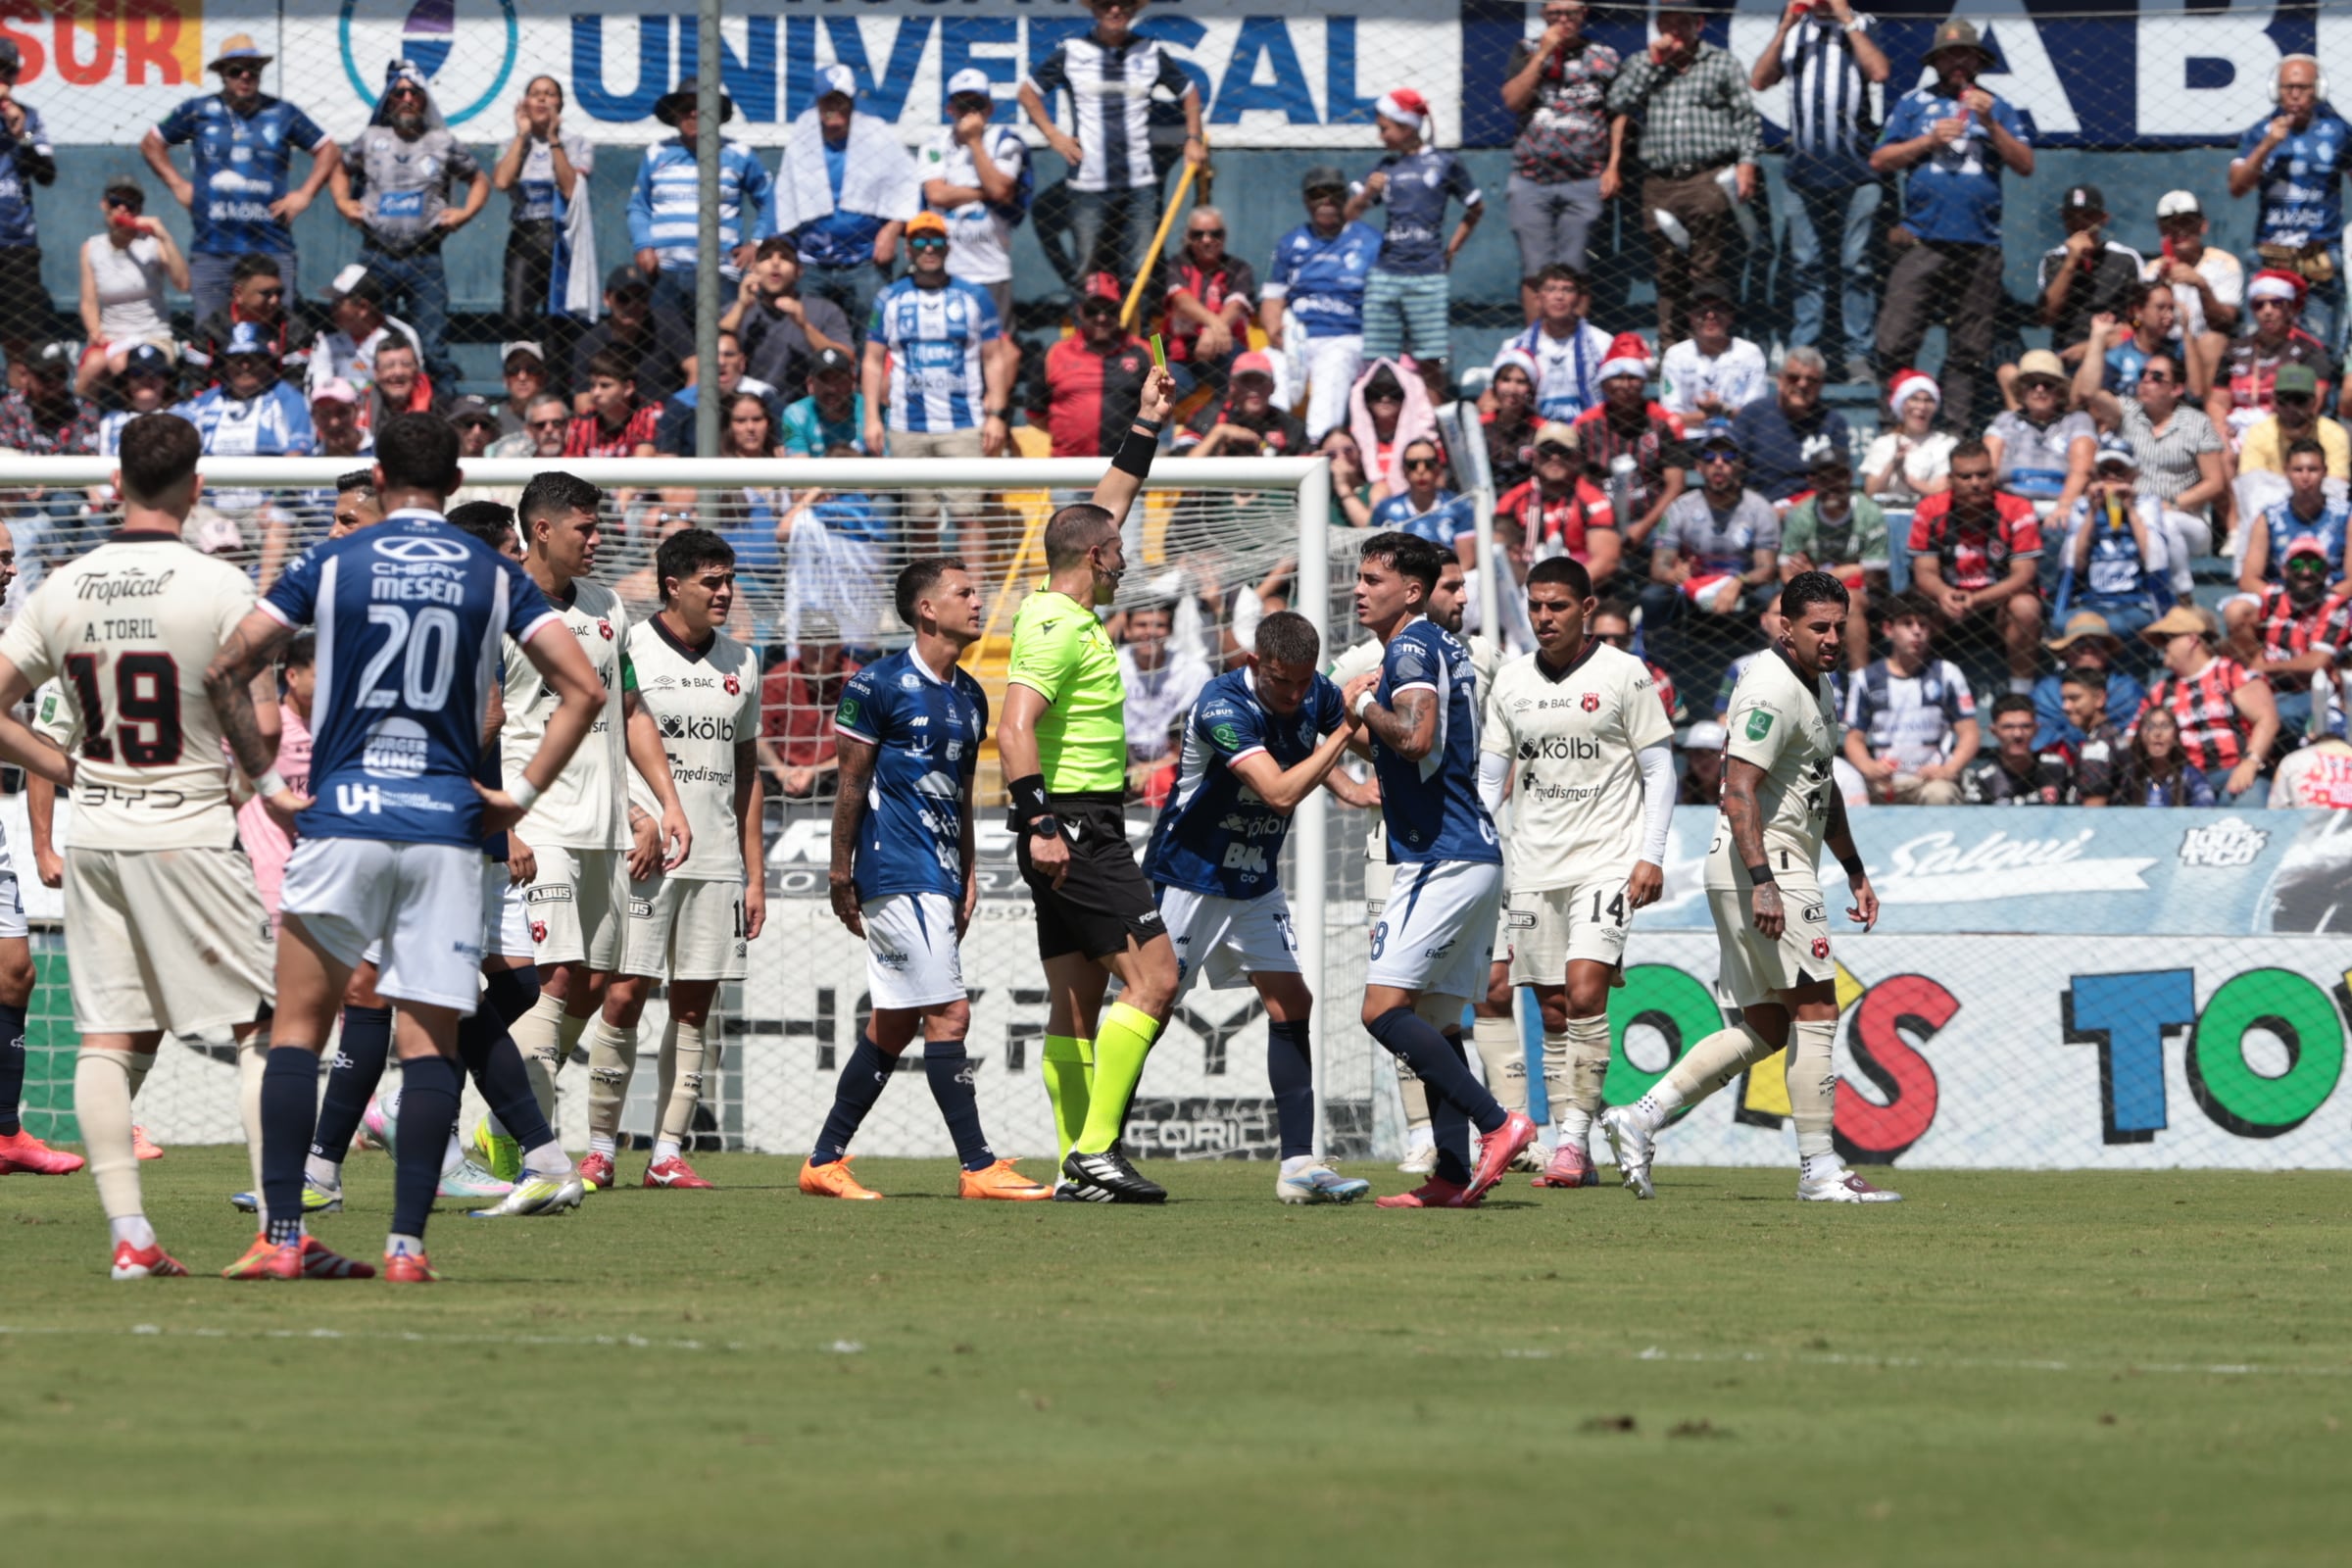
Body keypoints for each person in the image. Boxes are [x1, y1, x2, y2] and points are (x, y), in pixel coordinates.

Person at [203, 414, 605, 1282]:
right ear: (457, 479)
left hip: (341, 818)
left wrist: (273, 789)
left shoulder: (333, 562)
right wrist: (517, 797)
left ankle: (282, 1238)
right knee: (431, 1043)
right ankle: (407, 1248)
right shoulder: (494, 573)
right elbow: (584, 688)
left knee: (299, 1034)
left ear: (380, 478)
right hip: (445, 833)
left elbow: (224, 670)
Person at [0, 414, 292, 1274]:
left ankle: (131, 1238)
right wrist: (248, 774)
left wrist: (64, 762)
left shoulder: (63, 588)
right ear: (196, 488)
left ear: (116, 483)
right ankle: (281, 1233)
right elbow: (265, 732)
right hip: (190, 828)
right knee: (259, 1028)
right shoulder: (220, 589)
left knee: (107, 1037)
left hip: (95, 833)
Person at [1601, 570, 1894, 1203]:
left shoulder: (1817, 686)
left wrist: (1854, 869)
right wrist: (1764, 881)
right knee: (1817, 1010)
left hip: (1769, 865)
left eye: (1840, 626)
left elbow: (1823, 787)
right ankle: (1820, 1170)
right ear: (1783, 625)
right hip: (1766, 865)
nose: (1831, 637)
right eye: (1818, 626)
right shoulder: (1767, 688)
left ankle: (1640, 1116)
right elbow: (1738, 791)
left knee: (1767, 1024)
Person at [808, 557, 1054, 1201]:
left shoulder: (971, 696)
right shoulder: (877, 685)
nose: (979, 602)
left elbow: (964, 796)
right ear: (926, 609)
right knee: (948, 1012)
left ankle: (823, 1161)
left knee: (894, 1023)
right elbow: (851, 784)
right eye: (964, 593)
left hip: (939, 876)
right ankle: (978, 1165)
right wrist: (842, 871)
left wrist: (968, 875)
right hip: (893, 868)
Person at [996, 365, 1186, 1202]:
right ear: (1099, 556)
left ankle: (1080, 1157)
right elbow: (1014, 726)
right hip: (1072, 825)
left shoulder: (1059, 605)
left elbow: (1105, 504)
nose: (1127, 558)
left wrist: (1145, 424)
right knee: (1156, 981)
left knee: (1074, 1000)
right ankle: (1095, 1150)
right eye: (1118, 549)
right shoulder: (1053, 628)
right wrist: (1041, 824)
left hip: (1072, 823)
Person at [1335, 531, 1539, 1206]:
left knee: (1382, 1009)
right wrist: (1347, 718)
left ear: (1412, 591)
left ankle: (1498, 1122)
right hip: (1470, 851)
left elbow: (1414, 735)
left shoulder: (1414, 646)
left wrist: (1361, 702)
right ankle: (1452, 1175)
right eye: (1359, 578)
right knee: (1439, 1022)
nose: (1359, 589)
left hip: (1443, 856)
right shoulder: (1440, 647)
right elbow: (1408, 751)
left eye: (1373, 579)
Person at [498, 471, 693, 1174]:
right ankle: (532, 1143)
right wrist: (506, 824)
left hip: (607, 827)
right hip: (539, 824)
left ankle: (504, 1111)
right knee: (552, 979)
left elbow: (631, 712)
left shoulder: (608, 606)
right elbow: (481, 722)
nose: (597, 539)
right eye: (584, 527)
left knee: (591, 978)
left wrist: (664, 802)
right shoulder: (497, 605)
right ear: (541, 530)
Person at [1139, 610, 1369, 1203]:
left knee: (1292, 1000)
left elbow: (1317, 742)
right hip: (1187, 877)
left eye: (1303, 681)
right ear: (1252, 664)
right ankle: (1093, 1152)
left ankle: (1297, 1165)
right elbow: (1281, 789)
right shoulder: (1221, 706)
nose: (1294, 694)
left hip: (1252, 877)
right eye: (1280, 681)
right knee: (1150, 1008)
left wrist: (1354, 783)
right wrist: (1344, 733)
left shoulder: (1312, 691)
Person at [575, 530, 765, 1192]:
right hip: (643, 854)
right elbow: (603, 742)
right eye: (710, 581)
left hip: (715, 858)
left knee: (694, 1006)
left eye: (728, 578)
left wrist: (755, 872)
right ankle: (600, 1145)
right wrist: (636, 818)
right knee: (623, 993)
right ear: (672, 587)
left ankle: (667, 1152)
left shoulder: (744, 658)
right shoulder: (628, 646)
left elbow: (747, 771)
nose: (724, 592)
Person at [1482, 556, 1674, 1191]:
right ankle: (1579, 1149)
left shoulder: (1625, 675)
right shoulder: (1511, 681)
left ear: (1587, 609)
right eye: (1536, 606)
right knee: (1554, 1009)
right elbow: (1490, 780)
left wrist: (1651, 854)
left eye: (1557, 606)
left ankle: (1569, 1141)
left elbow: (1659, 770)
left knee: (1587, 991)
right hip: (1533, 862)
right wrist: (1478, 852)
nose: (1544, 617)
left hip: (1608, 860)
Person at [1869, 19, 2033, 432]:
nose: (1957, 61)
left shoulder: (1999, 106)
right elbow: (1880, 159)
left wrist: (1992, 124)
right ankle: (1894, 429)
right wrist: (1927, 141)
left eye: (1965, 54)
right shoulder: (1913, 104)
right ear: (1937, 60)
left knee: (1968, 348)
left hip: (1980, 243)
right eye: (1949, 54)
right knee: (1895, 340)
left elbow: (2025, 165)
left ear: (1978, 59)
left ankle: (1955, 432)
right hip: (1922, 238)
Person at [142, 36, 339, 323]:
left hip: (271, 247)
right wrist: (178, 185)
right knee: (212, 332)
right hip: (213, 248)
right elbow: (152, 143)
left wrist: (305, 194)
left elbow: (328, 149)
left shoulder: (283, 112)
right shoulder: (198, 110)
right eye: (236, 70)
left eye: (253, 69)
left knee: (276, 333)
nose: (245, 76)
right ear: (222, 73)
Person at [1019, 0, 1205, 297]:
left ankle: (1150, 344)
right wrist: (1054, 136)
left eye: (1125, 4)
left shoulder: (1151, 52)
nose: (1116, 10)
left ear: (1134, 11)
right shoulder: (1072, 52)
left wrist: (1193, 139)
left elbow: (1189, 92)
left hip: (1140, 184)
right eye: (1107, 3)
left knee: (1143, 275)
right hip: (1088, 184)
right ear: (1094, 9)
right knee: (1088, 276)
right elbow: (1028, 93)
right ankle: (1087, 343)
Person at [1605, 0, 1762, 345]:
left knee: (1707, 265)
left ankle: (1707, 342)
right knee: (1667, 268)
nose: (1674, 31)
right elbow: (1618, 103)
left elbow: (1745, 116)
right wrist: (1653, 63)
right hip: (1659, 181)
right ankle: (1670, 346)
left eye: (1683, 23)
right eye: (1668, 23)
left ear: (1699, 25)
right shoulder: (1641, 64)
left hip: (1708, 176)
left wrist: (1748, 162)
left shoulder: (1720, 62)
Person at [1751, 0, 1889, 379]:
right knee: (1805, 264)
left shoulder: (1862, 22)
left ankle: (1858, 354)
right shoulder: (1795, 30)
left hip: (1858, 169)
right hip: (1802, 171)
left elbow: (1879, 71)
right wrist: (1783, 28)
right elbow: (1759, 80)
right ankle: (1804, 350)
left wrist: (1844, 16)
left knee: (1855, 264)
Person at [327, 62, 485, 393]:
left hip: (424, 259)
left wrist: (465, 213)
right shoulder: (370, 139)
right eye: (399, 92)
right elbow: (340, 170)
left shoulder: (442, 142)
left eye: (415, 93)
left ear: (425, 100)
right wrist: (343, 204)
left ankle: (442, 415)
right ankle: (366, 411)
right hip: (375, 256)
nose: (407, 98)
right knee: (367, 339)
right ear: (388, 99)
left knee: (432, 345)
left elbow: (478, 179)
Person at [860, 210, 1009, 557]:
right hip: (906, 426)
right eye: (920, 241)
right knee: (920, 519)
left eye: (937, 240)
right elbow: (871, 360)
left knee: (968, 516)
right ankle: (926, 603)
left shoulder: (975, 297)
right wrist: (871, 417)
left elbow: (995, 358)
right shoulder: (889, 299)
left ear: (948, 246)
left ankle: (974, 599)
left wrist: (998, 413)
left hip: (964, 424)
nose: (930, 248)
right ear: (908, 249)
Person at [773, 66, 919, 343]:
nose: (834, 108)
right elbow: (783, 201)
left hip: (864, 262)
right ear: (817, 104)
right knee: (806, 334)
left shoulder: (878, 140)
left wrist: (892, 229)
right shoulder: (801, 144)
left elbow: (909, 187)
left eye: (841, 101)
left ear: (852, 104)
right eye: (828, 101)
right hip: (813, 263)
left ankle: (868, 387)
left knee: (874, 335)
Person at [1348, 88, 1482, 387]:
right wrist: (1368, 192)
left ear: (1406, 127)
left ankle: (1434, 427)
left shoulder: (1445, 162)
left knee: (1432, 359)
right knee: (1378, 361)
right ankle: (1379, 425)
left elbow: (1476, 207)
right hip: (1386, 274)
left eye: (1385, 129)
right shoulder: (1385, 168)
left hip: (1427, 275)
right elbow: (1350, 214)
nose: (1380, 136)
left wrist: (1451, 251)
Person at [2079, 345, 2226, 602]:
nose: (2146, 381)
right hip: (2133, 514)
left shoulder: (2197, 423)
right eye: (2143, 374)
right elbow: (2088, 392)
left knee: (2165, 523)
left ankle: (2182, 596)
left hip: (2185, 520)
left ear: (2177, 389)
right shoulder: (2126, 413)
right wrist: (2098, 337)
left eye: (2156, 377)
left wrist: (2174, 504)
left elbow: (2215, 483)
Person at [2230, 54, 2351, 349]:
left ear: (2317, 90)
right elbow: (2237, 186)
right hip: (2270, 255)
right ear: (2276, 90)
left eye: (2303, 87)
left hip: (2319, 256)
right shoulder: (2259, 132)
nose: (2295, 94)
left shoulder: (2337, 131)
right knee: (2263, 346)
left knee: (2319, 349)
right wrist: (2269, 144)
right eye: (2288, 87)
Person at [629, 76, 774, 321]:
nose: (695, 113)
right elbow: (638, 207)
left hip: (720, 273)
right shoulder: (657, 153)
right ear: (675, 115)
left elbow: (772, 202)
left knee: (721, 344)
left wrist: (757, 243)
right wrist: (643, 245)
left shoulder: (739, 154)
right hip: (666, 272)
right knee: (666, 348)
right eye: (686, 108)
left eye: (704, 107)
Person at [1499, 1, 1622, 279]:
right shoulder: (1526, 50)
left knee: (1575, 271)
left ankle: (1577, 325)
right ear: (1543, 15)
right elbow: (1514, 101)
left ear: (1584, 14)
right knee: (1535, 273)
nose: (1563, 20)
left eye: (1571, 14)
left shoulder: (1604, 56)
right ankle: (1537, 326)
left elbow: (1618, 114)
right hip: (1532, 178)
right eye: (1555, 14)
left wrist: (1613, 165)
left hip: (1585, 178)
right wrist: (1544, 52)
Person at [1906, 440, 2044, 686]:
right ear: (1950, 479)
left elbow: (2024, 575)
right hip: (1946, 603)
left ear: (1993, 474)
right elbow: (1924, 572)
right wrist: (1944, 593)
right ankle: (1915, 686)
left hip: (1999, 604)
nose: (1975, 483)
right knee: (1913, 605)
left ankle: (2021, 692)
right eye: (1965, 476)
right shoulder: (1930, 509)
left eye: (1982, 474)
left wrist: (1978, 599)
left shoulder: (2017, 507)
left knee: (2027, 606)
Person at [1261, 167, 1382, 441]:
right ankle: (1271, 443)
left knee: (1334, 367)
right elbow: (1272, 297)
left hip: (1345, 336)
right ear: (1306, 201)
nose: (1326, 202)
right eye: (1317, 194)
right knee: (1270, 365)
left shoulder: (1369, 241)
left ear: (1345, 198)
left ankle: (1318, 447)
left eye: (1334, 194)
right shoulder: (1290, 243)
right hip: (1298, 335)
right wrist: (1273, 330)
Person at [920, 69, 1029, 328]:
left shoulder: (1005, 141)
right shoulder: (933, 145)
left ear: (989, 108)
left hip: (990, 269)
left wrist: (974, 142)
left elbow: (1001, 191)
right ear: (950, 109)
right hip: (945, 269)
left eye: (976, 104)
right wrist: (983, 191)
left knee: (997, 347)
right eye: (961, 104)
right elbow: (936, 193)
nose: (968, 112)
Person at [2136, 603, 2279, 801]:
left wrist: (2250, 762)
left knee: (2250, 800)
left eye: (2168, 638)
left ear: (2192, 639)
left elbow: (2267, 718)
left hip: (2235, 771)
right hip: (2184, 780)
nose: (2163, 646)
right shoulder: (2159, 692)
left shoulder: (2232, 674)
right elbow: (2134, 736)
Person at [1842, 595, 1977, 803]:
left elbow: (1969, 732)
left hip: (1930, 779)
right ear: (1888, 630)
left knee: (1940, 795)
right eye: (1907, 624)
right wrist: (1869, 767)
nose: (1917, 631)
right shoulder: (1866, 679)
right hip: (1883, 781)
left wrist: (1949, 769)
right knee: (1845, 790)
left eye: (1923, 625)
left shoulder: (1946, 674)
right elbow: (1854, 738)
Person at [491, 77, 593, 352]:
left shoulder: (578, 144)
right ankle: (521, 376)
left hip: (562, 234)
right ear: (524, 102)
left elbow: (570, 188)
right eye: (535, 94)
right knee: (516, 316)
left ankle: (558, 386)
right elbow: (501, 181)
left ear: (560, 103)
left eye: (549, 94)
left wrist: (552, 139)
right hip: (525, 235)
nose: (542, 99)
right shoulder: (510, 143)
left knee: (559, 321)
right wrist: (522, 135)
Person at [1646, 424, 1779, 621]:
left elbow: (1766, 569)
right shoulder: (1680, 508)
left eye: (1728, 457)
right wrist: (1674, 574)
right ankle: (1661, 653)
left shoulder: (1760, 509)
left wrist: (1739, 581)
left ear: (1739, 465)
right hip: (1694, 582)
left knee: (1767, 596)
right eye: (1709, 457)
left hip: (1741, 584)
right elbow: (1659, 566)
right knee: (1652, 597)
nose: (1718, 463)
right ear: (1699, 467)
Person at [1572, 333, 1688, 550]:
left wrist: (1644, 526)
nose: (1625, 385)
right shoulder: (1585, 425)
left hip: (1652, 519)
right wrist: (1602, 520)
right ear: (1604, 384)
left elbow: (1676, 485)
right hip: (1599, 519)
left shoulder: (1664, 423)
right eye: (1617, 377)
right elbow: (1579, 481)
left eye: (1633, 378)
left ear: (1643, 382)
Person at [2229, 537, 2351, 738]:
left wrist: (2264, 669)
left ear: (2326, 571)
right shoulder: (2275, 599)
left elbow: (2316, 663)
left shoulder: (2334, 605)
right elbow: (2263, 645)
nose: (2306, 571)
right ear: (2284, 570)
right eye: (2297, 564)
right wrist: (2253, 674)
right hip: (2272, 684)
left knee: (2281, 714)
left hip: (2312, 689)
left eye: (2315, 564)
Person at [1781, 434, 1887, 662]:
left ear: (1849, 478)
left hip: (1864, 594)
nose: (1832, 484)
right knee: (1774, 609)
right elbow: (1786, 573)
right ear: (1813, 481)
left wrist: (1817, 575)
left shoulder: (1868, 513)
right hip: (1810, 593)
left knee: (1852, 603)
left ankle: (1860, 683)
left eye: (1838, 476)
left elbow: (1875, 576)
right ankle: (1793, 680)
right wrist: (1851, 568)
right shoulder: (1800, 515)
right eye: (1824, 478)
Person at [2055, 437, 2169, 649]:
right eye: (2105, 471)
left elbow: (2153, 558)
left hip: (2135, 601)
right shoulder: (2082, 506)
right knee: (2067, 623)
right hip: (2092, 601)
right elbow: (2076, 564)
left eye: (2120, 472)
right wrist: (2092, 512)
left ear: (2133, 476)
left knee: (2114, 625)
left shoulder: (2147, 504)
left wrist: (2131, 511)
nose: (2112, 478)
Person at [75, 179, 184, 399]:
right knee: (92, 366)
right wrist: (95, 332)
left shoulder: (152, 244)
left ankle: (133, 418)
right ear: (104, 205)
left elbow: (183, 283)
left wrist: (163, 235)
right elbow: (88, 301)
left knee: (121, 363)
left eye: (131, 204)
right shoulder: (91, 248)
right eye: (116, 201)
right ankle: (81, 421)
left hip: (152, 336)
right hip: (111, 337)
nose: (123, 208)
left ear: (139, 210)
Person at [1023, 277, 1153, 458]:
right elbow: (1035, 414)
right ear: (1080, 312)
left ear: (1120, 310)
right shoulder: (1053, 354)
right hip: (1070, 470)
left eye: (1109, 309)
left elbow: (1163, 408)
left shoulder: (1145, 351)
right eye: (1092, 310)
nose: (1101, 317)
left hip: (1128, 468)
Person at [2211, 270, 2335, 450]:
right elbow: (2216, 400)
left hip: (2284, 431)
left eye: (2276, 303)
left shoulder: (2310, 349)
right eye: (2259, 305)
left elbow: (2314, 402)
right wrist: (2221, 429)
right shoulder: (2234, 348)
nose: (2267, 311)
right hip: (2235, 431)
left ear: (2290, 308)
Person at [726, 237, 855, 411]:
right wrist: (741, 307)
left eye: (785, 258)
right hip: (747, 412)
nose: (775, 263)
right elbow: (707, 355)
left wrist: (805, 326)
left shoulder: (824, 310)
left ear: (799, 271)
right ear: (754, 268)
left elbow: (846, 360)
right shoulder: (735, 310)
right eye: (766, 257)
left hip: (806, 413)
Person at [1494, 420, 1621, 586]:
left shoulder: (1593, 500)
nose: (1555, 458)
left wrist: (1564, 590)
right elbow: (1496, 552)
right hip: (1525, 585)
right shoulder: (1513, 500)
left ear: (1577, 458)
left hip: (1578, 587)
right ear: (1535, 457)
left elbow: (1606, 560)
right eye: (1547, 451)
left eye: (1563, 452)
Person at [2034, 184, 2144, 368]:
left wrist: (2115, 337)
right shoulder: (2053, 259)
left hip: (2116, 351)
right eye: (2072, 216)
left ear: (2103, 219)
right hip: (2067, 352)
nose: (2079, 223)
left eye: (2088, 216)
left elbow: (2141, 319)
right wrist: (2071, 262)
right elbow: (2046, 317)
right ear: (2063, 218)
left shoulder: (2125, 259)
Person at [2237, 437, 2351, 616]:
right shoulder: (2269, 517)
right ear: (2286, 472)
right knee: (2237, 611)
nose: (2305, 477)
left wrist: (2323, 600)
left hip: (2333, 598)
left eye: (2313, 470)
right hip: (2282, 597)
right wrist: (2281, 599)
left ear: (2325, 472)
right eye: (2298, 470)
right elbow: (2248, 579)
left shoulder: (2346, 515)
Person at [1492, 263, 1615, 426]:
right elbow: (1492, 397)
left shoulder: (1603, 343)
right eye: (1551, 289)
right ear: (1537, 299)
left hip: (1591, 435)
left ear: (1579, 299)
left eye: (1567, 290)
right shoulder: (1514, 347)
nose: (1559, 296)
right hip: (1532, 435)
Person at [759, 617, 861, 802]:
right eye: (811, 644)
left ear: (840, 645)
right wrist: (780, 770)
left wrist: (816, 771)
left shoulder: (858, 680)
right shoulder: (778, 678)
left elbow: (861, 746)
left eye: (827, 645)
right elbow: (759, 738)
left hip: (836, 773)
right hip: (781, 774)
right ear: (798, 645)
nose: (819, 652)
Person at [1734, 348, 1849, 509]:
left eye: (1811, 380)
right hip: (1758, 508)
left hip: (1813, 511)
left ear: (1820, 386)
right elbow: (1733, 469)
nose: (1802, 384)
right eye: (1794, 378)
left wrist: (1790, 509)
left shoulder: (1833, 422)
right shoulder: (1753, 415)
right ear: (1780, 380)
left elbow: (1837, 481)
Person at [0, 38, 54, 379]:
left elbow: (47, 175)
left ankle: (15, 422)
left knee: (18, 341)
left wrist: (23, 136)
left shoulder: (28, 117)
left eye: (9, 71)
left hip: (15, 243)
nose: (3, 77)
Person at [1984, 350, 2091, 519]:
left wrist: (2064, 507)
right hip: (2010, 507)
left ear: (2059, 390)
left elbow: (2082, 471)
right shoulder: (2005, 420)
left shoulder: (2077, 421)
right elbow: (1988, 467)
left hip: (2060, 509)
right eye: (2032, 383)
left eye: (2048, 384)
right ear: (2021, 390)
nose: (2040, 389)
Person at [571, 264, 695, 411]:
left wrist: (681, 411)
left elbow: (696, 369)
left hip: (666, 418)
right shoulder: (590, 343)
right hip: (614, 424)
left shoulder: (666, 323)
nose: (632, 305)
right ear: (607, 298)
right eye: (623, 298)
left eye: (641, 298)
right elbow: (583, 399)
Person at [1116, 601, 1212, 783]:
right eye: (1141, 624)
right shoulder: (1110, 666)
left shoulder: (1194, 671)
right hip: (1119, 760)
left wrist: (1157, 767)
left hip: (1173, 764)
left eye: (1159, 625)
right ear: (1127, 630)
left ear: (1170, 631)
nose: (1150, 632)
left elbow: (1196, 733)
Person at [186, 254, 315, 388]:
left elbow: (295, 383)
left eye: (279, 292)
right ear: (238, 293)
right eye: (266, 293)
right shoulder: (212, 328)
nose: (275, 300)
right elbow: (195, 383)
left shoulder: (293, 328)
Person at [1163, 205, 1254, 393]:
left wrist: (1211, 333)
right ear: (1189, 237)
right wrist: (1214, 324)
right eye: (1198, 235)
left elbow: (1235, 306)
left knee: (1248, 373)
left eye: (1215, 234)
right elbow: (1181, 300)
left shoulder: (1239, 268)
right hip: (1178, 352)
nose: (1207, 240)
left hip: (1224, 348)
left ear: (1225, 236)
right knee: (1159, 387)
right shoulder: (1177, 264)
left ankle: (1220, 416)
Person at [647, 328, 775, 457]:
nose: (721, 362)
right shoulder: (680, 403)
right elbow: (667, 457)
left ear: (742, 362)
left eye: (729, 354)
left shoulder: (763, 395)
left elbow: (783, 449)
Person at [2033, 612, 2146, 751]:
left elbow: (2131, 735)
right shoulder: (2046, 690)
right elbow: (2040, 736)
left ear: (2106, 651)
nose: (2087, 649)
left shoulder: (2126, 689)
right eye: (2079, 642)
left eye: (2096, 642)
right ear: (2066, 651)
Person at [1658, 287, 1769, 424]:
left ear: (1730, 316)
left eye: (1719, 309)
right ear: (1691, 317)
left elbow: (1755, 417)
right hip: (1690, 439)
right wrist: (1719, 413)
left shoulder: (1749, 353)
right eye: (1701, 310)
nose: (1710, 315)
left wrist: (1721, 409)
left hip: (1738, 439)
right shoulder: (1676, 355)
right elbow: (1670, 419)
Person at [2147, 189, 2241, 345]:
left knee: (2212, 342)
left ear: (2203, 226)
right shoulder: (2153, 269)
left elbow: (2225, 324)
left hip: (2204, 345)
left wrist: (2201, 286)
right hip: (2164, 345)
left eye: (2186, 222)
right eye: (2169, 224)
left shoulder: (2225, 263)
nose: (2178, 230)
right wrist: (2160, 286)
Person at [1368, 437, 1477, 565]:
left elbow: (1465, 563)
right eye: (1412, 465)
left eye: (1429, 463)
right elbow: (1377, 560)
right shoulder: (1385, 510)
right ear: (1403, 470)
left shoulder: (1460, 507)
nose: (1421, 470)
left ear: (1438, 468)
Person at [1959, 693, 2077, 805]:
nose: (2018, 734)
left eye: (2026, 726)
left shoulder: (2057, 768)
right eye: (2008, 727)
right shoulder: (1982, 777)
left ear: (2036, 729)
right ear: (1994, 732)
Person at [1862, 368, 1954, 505]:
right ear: (1902, 405)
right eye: (1914, 399)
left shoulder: (1945, 443)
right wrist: (1893, 465)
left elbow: (1941, 492)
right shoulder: (1883, 444)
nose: (1921, 407)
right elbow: (1870, 493)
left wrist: (1906, 478)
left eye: (1928, 400)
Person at [564, 347, 662, 459]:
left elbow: (642, 464)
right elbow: (572, 467)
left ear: (628, 388)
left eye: (605, 385)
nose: (595, 393)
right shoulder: (582, 422)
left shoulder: (648, 414)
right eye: (592, 385)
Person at [0, 341, 96, 455]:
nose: (54, 383)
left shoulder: (84, 409)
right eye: (45, 376)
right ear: (26, 376)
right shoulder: (10, 409)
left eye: (61, 375)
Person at [2115, 705, 2216, 808]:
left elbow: (2204, 809)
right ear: (2140, 734)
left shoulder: (2191, 777)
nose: (2157, 733)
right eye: (2150, 726)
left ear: (2176, 734)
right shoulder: (2129, 778)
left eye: (2165, 726)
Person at [781, 346, 866, 456]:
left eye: (839, 379)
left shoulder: (872, 412)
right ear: (810, 384)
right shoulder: (796, 414)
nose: (832, 389)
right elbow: (799, 468)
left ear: (853, 382)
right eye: (823, 380)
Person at [1483, 350, 1542, 491]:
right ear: (1495, 384)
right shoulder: (1478, 427)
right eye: (1506, 380)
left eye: (1520, 382)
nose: (1512, 389)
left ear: (1530, 389)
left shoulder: (1541, 429)